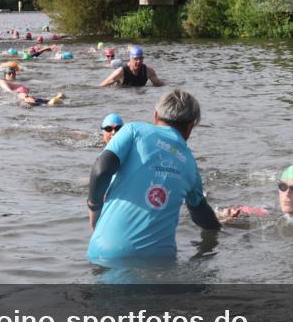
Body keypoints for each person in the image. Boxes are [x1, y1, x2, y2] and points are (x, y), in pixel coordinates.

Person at [87, 89, 222, 261]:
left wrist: (94, 208)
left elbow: (101, 170)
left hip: (106, 252)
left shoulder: (133, 131)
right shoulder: (190, 163)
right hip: (159, 260)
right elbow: (200, 212)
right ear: (190, 126)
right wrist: (219, 229)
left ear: (155, 115)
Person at [218, 161, 293, 221]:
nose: (287, 193)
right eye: (283, 187)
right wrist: (226, 216)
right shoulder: (269, 211)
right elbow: (238, 211)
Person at [99, 45, 164, 87]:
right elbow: (102, 86)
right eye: (136, 59)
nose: (138, 61)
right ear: (130, 59)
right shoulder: (120, 72)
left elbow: (159, 84)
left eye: (140, 58)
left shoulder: (148, 71)